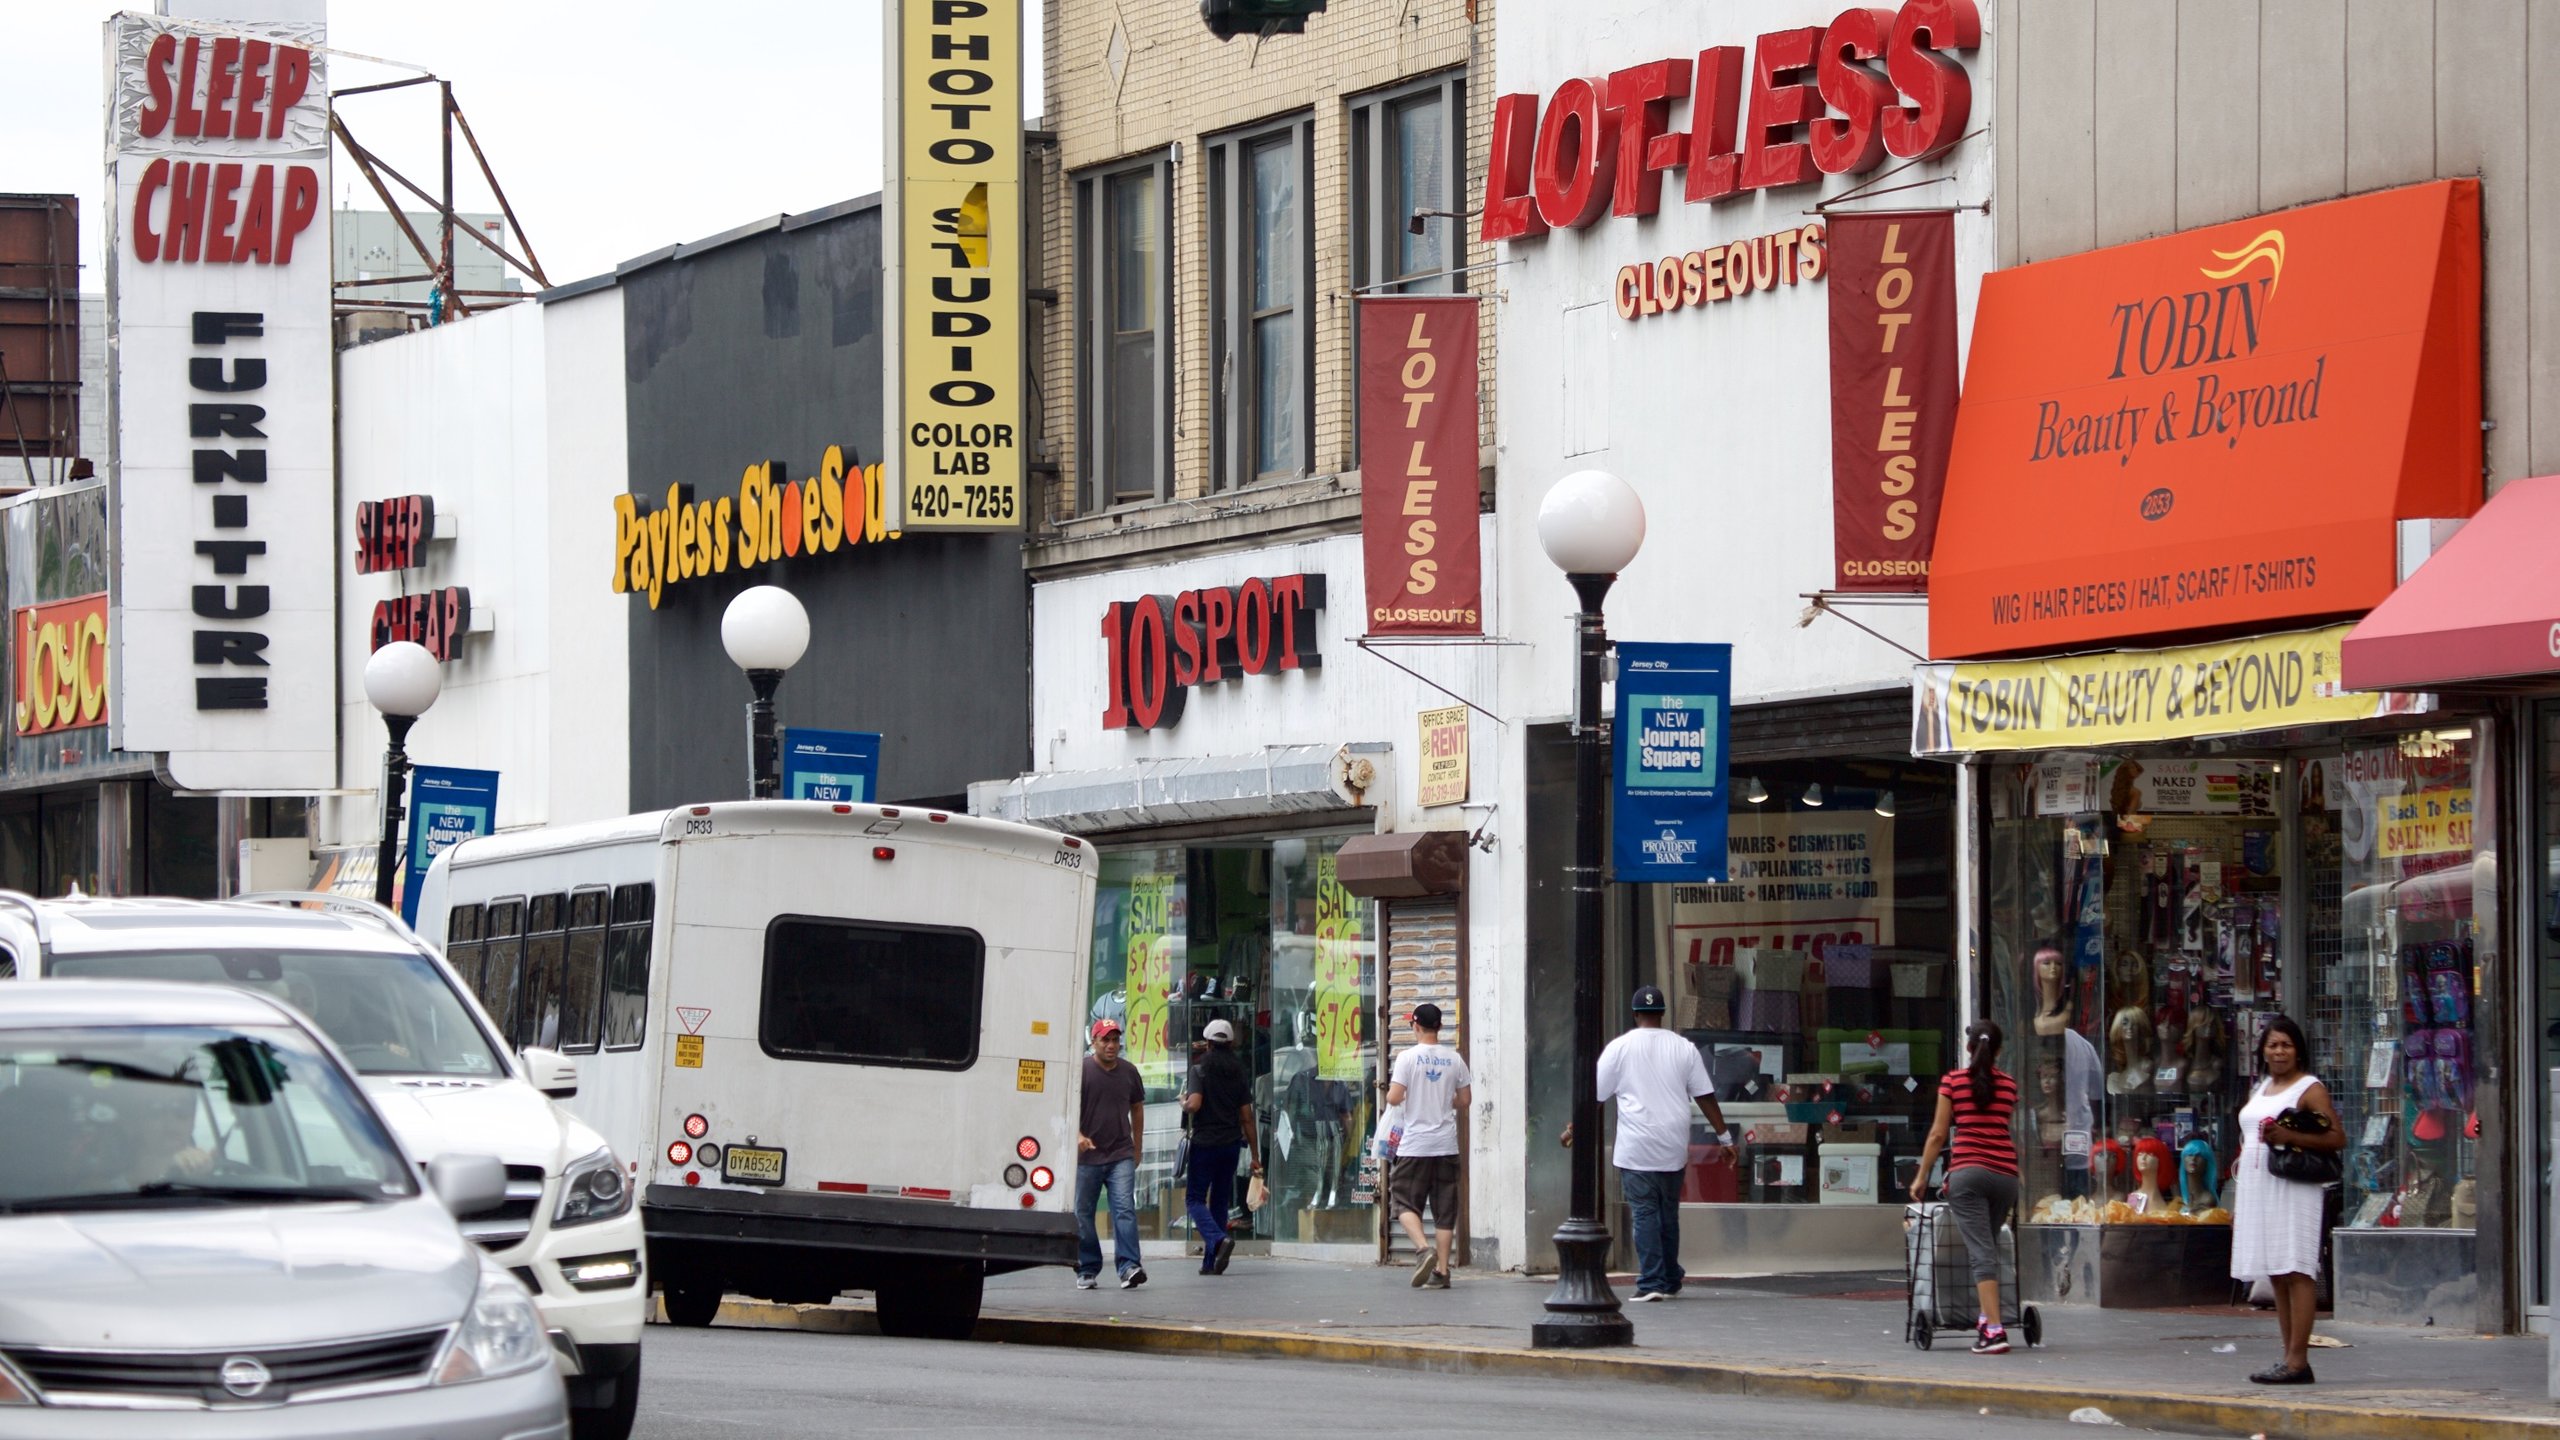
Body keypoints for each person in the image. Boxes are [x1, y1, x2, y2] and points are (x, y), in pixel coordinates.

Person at [1562, 984, 1728, 1302]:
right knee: (1667, 1212)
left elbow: (1593, 1098)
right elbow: (1706, 1096)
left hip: (1637, 1145)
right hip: (1673, 1143)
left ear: (1636, 1014)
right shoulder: (1684, 1048)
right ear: (1662, 1014)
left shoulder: (1619, 1048)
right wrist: (1725, 1137)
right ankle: (1669, 1277)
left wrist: (1573, 1129)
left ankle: (1652, 1280)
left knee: (1644, 1213)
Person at [2230, 1015, 2342, 1385]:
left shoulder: (2309, 1089)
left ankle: (2298, 1361)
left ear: (2298, 1051)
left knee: (2297, 1269)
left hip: (2293, 1186)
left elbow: (2336, 1138)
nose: (2279, 1052)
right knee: (2276, 1272)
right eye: (2273, 1045)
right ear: (2262, 1050)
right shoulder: (2262, 1088)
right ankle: (2288, 1357)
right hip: (2259, 1184)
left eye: (2287, 1045)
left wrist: (2287, 1137)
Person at [1909, 1020, 2022, 1353]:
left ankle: (1996, 1332)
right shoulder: (2009, 1084)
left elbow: (1938, 1134)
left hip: (1968, 1176)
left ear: (1969, 1048)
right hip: (2005, 1176)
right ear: (1998, 1050)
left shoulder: (1953, 1081)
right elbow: (2002, 1129)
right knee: (1987, 1245)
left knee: (1980, 1252)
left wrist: (1921, 1175)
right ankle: (1987, 1319)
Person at [1385, 1003, 1472, 1289]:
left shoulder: (1407, 1058)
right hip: (1446, 1145)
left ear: (1416, 1026)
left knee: (1403, 1200)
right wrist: (1444, 1100)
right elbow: (1465, 1100)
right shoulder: (1455, 1059)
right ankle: (1443, 1272)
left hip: (1415, 1146)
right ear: (1440, 1027)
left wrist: (1407, 1096)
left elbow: (1394, 1097)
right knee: (1445, 1211)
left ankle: (1424, 1249)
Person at [1074, 1018, 1148, 1291]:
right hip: (1087, 1157)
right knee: (1083, 1214)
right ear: (1093, 1042)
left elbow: (1137, 1108)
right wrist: (1078, 1136)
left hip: (1120, 1154)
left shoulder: (1129, 1071)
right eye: (1105, 1039)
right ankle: (1087, 1267)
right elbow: (1066, 1105)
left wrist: (1137, 1147)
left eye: (1115, 1039)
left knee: (1124, 1210)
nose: (1111, 1045)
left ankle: (1129, 1266)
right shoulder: (1081, 1071)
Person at [1182, 1018, 1259, 1276]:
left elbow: (1194, 1104)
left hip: (1204, 1143)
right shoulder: (1238, 1073)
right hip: (1230, 1145)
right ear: (1231, 1044)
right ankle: (1210, 1264)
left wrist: (1184, 1103)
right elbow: (1247, 1117)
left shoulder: (1199, 1070)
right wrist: (1256, 1156)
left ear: (1207, 1044)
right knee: (1219, 1201)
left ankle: (1217, 1238)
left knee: (1194, 1198)